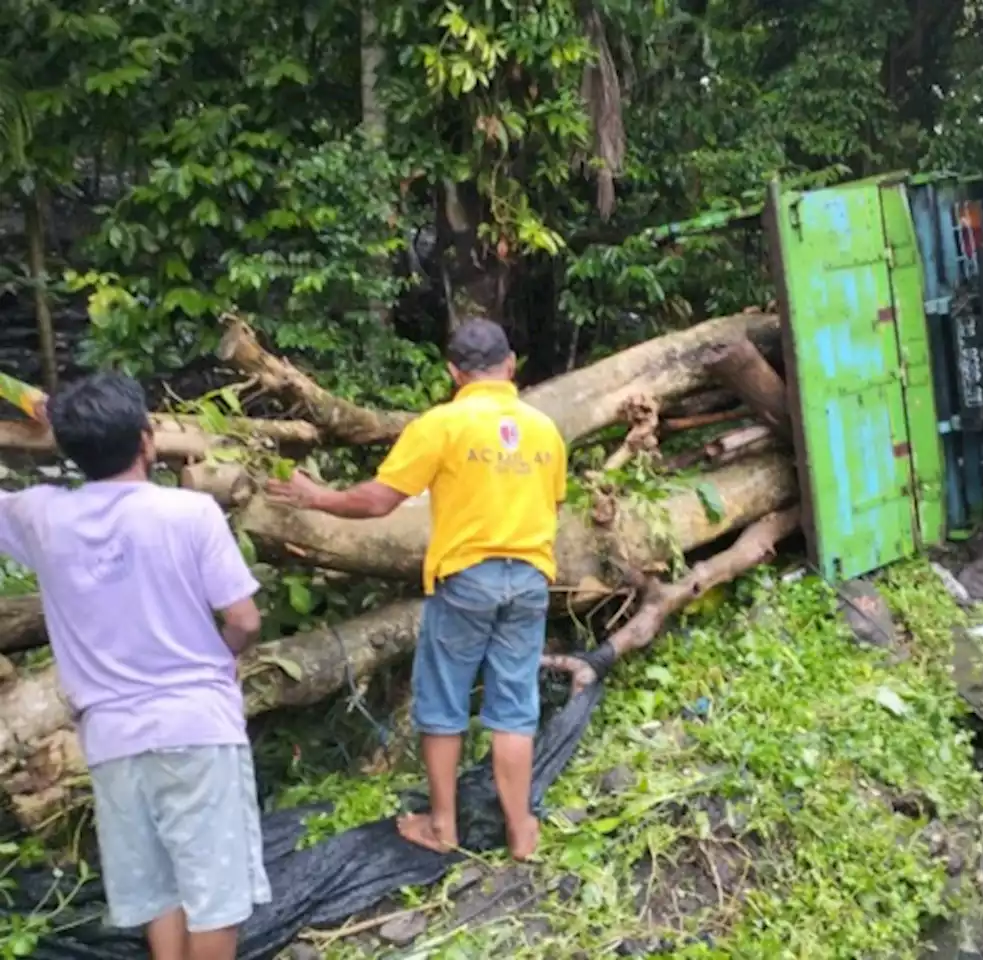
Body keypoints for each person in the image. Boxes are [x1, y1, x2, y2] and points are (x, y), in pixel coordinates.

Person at [266, 318, 566, 861]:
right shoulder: (544, 429)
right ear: (511, 364)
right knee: (514, 708)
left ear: (453, 372)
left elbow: (379, 501)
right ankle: (522, 830)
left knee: (445, 702)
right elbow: (552, 502)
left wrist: (317, 498)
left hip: (467, 580)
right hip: (529, 578)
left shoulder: (442, 424)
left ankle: (443, 826)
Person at [0, 373, 269, 960]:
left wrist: (35, 411)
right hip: (197, 724)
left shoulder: (41, 518)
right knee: (215, 889)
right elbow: (245, 619)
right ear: (148, 440)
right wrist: (221, 657)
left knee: (156, 886)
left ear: (66, 450)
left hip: (112, 737)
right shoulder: (190, 513)